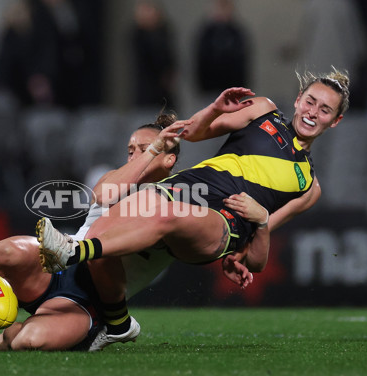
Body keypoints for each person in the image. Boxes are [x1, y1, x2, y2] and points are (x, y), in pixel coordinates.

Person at [0, 113, 256, 352]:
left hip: (93, 301)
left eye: (148, 149)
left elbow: (205, 238)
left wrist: (241, 245)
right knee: (7, 250)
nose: (136, 155)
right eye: (131, 149)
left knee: (30, 342)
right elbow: (105, 193)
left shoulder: (179, 199)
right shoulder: (115, 178)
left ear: (170, 159)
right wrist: (146, 154)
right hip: (57, 268)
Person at [36, 69, 351, 346]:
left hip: (226, 222)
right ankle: (111, 323)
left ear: (335, 121)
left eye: (325, 110)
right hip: (191, 187)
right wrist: (214, 108)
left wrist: (258, 226)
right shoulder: (263, 110)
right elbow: (192, 133)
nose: (313, 112)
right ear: (298, 99)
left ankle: (73, 252)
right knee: (106, 227)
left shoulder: (309, 187)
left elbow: (256, 257)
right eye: (310, 101)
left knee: (167, 216)